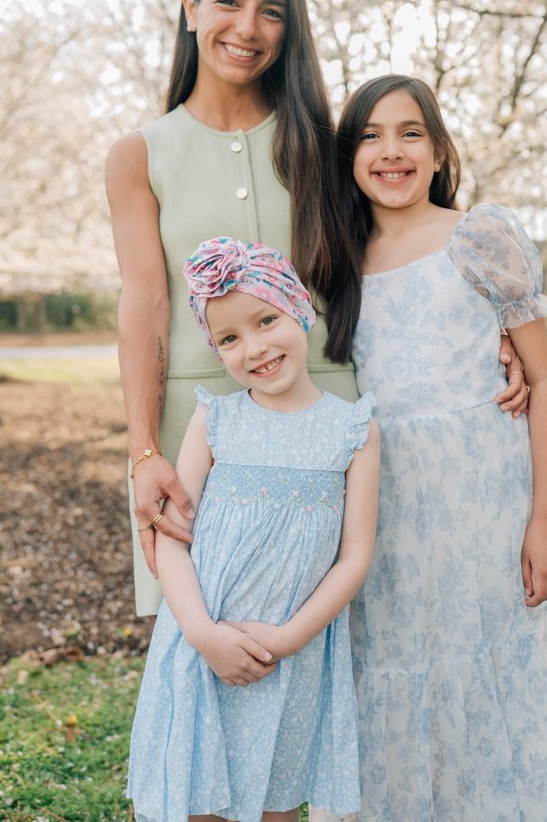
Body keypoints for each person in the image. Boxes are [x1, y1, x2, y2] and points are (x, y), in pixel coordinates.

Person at [105, 0, 528, 615]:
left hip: (327, 410)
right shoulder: (138, 155)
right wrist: (142, 450)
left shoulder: (325, 145)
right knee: (200, 628)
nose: (248, 27)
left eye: (272, 11)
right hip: (194, 423)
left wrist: (489, 327)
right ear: (190, 8)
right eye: (229, 2)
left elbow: (395, 245)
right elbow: (145, 302)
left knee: (332, 628)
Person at [321, 75, 547, 821]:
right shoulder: (337, 258)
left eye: (410, 133)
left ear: (439, 151)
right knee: (397, 671)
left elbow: (546, 383)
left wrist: (545, 521)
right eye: (370, 136)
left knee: (488, 672)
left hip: (486, 509)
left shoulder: (479, 236)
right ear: (349, 157)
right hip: (387, 513)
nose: (391, 151)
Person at [127, 237, 380, 822]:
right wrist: (201, 634)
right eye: (229, 339)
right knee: (196, 797)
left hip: (288, 655)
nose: (255, 348)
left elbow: (354, 556)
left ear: (300, 308)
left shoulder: (353, 431)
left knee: (275, 799)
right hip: (203, 641)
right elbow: (173, 541)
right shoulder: (214, 420)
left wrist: (288, 638)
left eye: (266, 320)